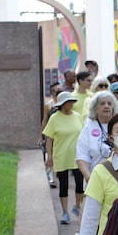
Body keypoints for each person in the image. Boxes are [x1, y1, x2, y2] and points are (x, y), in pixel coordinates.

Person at [43, 91, 86, 224]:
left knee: (79, 183)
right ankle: (65, 212)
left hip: (77, 156)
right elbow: (49, 139)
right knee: (64, 185)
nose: (71, 104)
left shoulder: (78, 116)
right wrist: (49, 157)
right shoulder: (54, 118)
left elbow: (83, 134)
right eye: (69, 102)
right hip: (61, 155)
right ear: (62, 104)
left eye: (72, 102)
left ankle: (77, 206)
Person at [76, 90, 118, 183]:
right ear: (95, 108)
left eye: (109, 103)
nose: (106, 106)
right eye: (102, 103)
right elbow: (82, 156)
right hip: (95, 180)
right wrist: (88, 177)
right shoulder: (88, 128)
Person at [39, 82, 62, 188]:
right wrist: (41, 136)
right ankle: (51, 177)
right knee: (50, 155)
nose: (60, 92)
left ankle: (58, 175)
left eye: (61, 90)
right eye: (57, 90)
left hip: (62, 134)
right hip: (51, 134)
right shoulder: (49, 105)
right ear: (52, 92)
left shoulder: (65, 104)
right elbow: (44, 121)